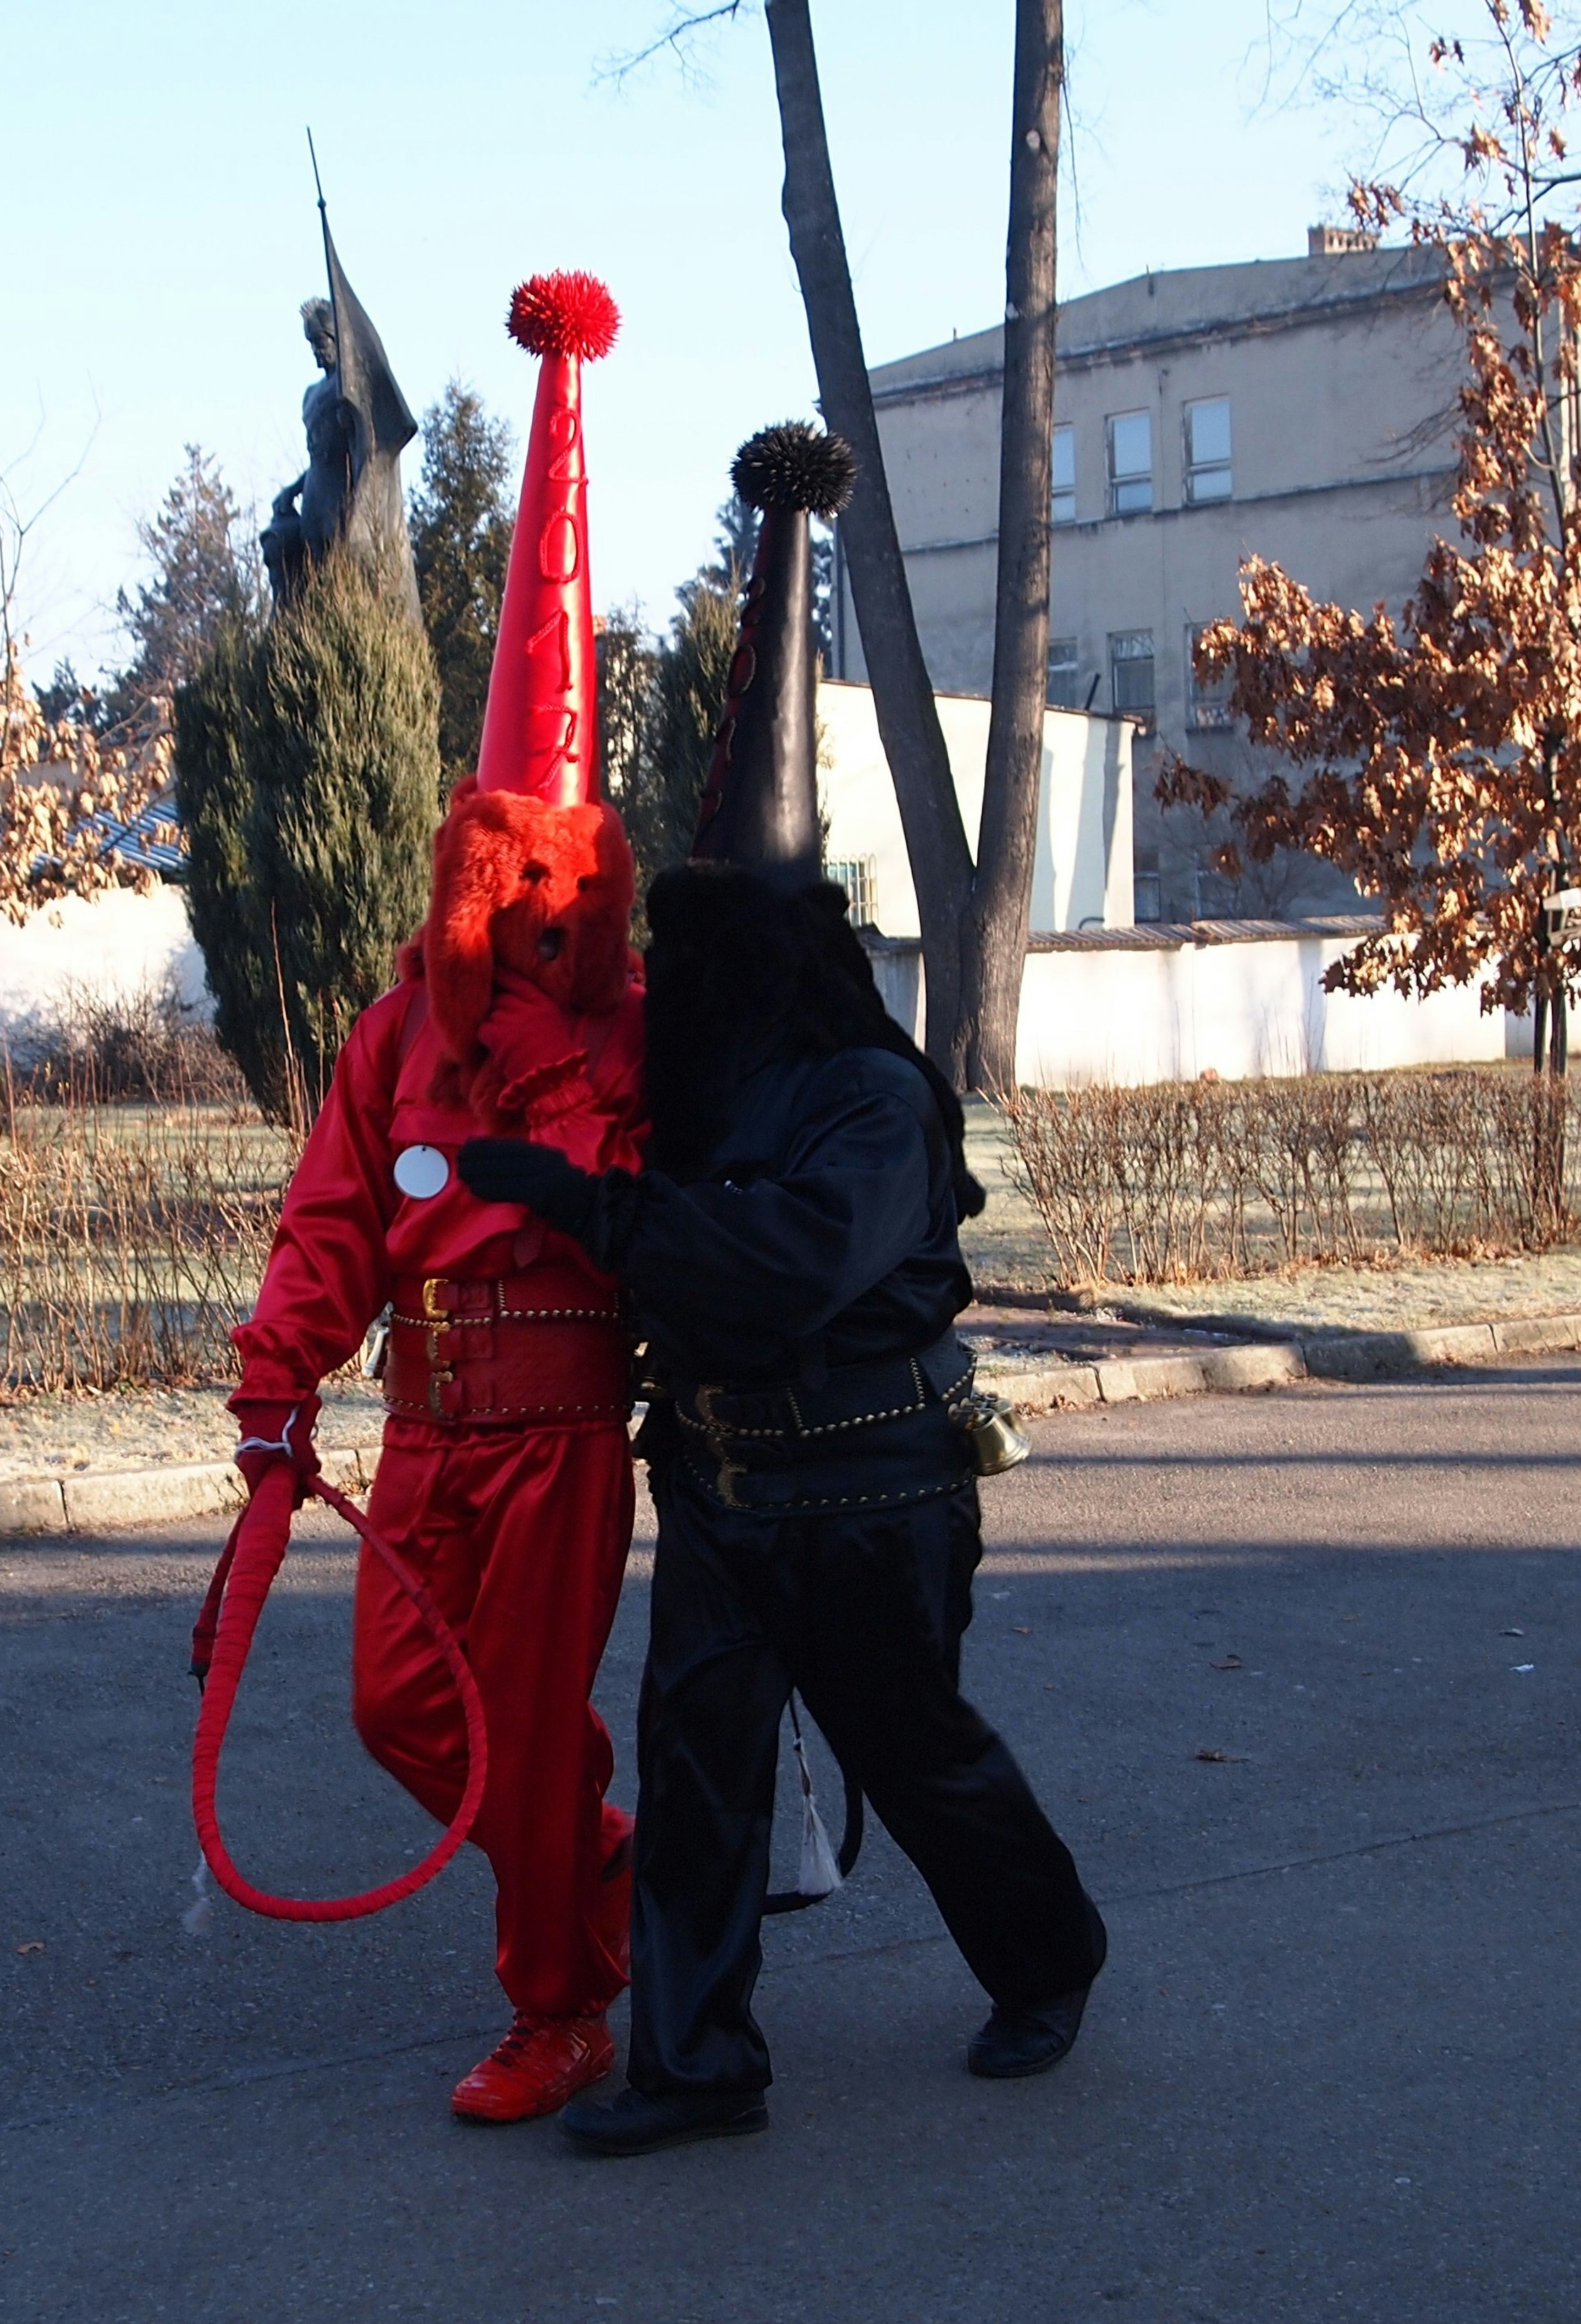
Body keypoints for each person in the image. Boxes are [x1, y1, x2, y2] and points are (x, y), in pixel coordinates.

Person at [458, 422, 1109, 2158]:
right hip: (730, 1487)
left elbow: (784, 1263)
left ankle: (1046, 1959)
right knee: (695, 1772)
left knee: (919, 1751)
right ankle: (693, 2067)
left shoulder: (873, 1099)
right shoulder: (707, 1093)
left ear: (791, 965)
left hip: (877, 1487)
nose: (689, 993)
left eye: (718, 963)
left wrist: (586, 1209)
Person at [228, 271, 641, 2125]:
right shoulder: (397, 1026)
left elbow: (659, 1211)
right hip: (426, 1421)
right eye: (506, 880)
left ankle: (560, 1999)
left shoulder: (635, 1034)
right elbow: (334, 1213)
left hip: (562, 1425)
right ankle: (602, 1855)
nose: (528, 911)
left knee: (524, 1730)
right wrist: (280, 1375)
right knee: (405, 1705)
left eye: (560, 886)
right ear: (465, 867)